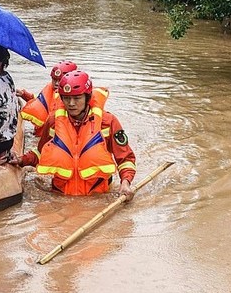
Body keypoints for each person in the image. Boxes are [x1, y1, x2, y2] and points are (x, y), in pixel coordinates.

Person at [10, 71, 136, 199]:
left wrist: (125, 183)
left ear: (87, 97)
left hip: (97, 196)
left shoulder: (108, 122)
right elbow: (41, 152)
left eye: (77, 98)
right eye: (66, 98)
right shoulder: (53, 122)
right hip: (60, 195)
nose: (71, 103)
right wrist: (22, 160)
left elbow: (125, 158)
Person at [17, 60, 77, 137]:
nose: (56, 83)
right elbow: (40, 104)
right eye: (54, 79)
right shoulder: (50, 90)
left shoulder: (73, 101)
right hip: (41, 135)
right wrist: (24, 95)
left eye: (60, 80)